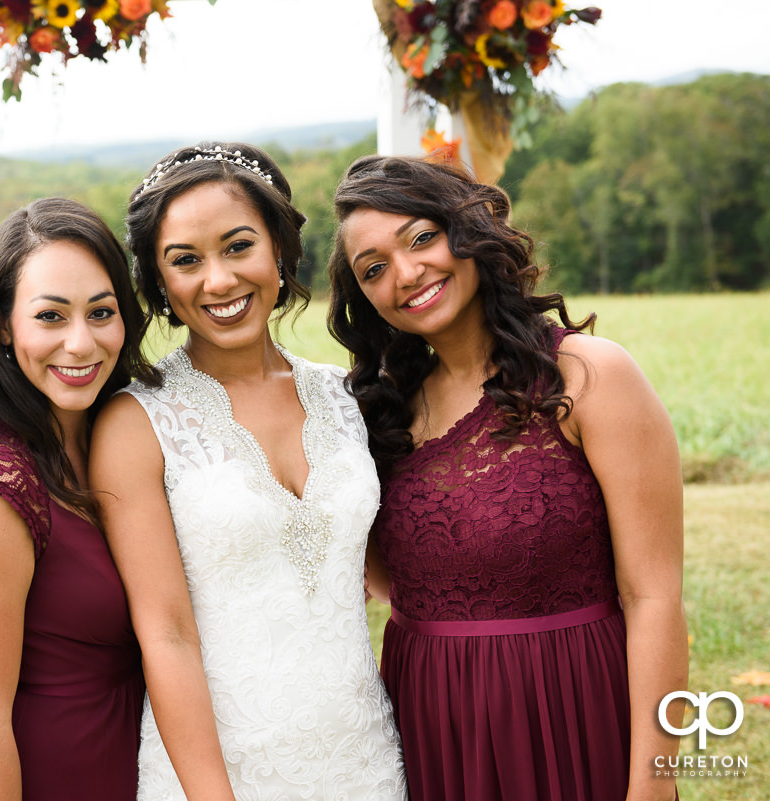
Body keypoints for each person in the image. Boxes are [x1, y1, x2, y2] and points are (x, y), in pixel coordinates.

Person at [326, 153, 688, 801]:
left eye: (421, 237)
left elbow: (654, 598)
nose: (406, 274)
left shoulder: (587, 376)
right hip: (434, 728)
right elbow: (388, 579)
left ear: (465, 229)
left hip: (572, 710)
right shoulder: (380, 415)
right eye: (374, 269)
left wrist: (655, 784)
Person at [90, 142, 408, 800]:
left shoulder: (347, 398)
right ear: (157, 281)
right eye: (186, 261)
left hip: (364, 762)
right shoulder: (134, 423)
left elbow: (388, 573)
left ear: (280, 250)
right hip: (216, 774)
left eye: (238, 246)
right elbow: (167, 635)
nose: (218, 280)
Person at [0, 197, 157, 801]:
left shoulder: (133, 435)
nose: (82, 344)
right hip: (60, 771)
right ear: (5, 327)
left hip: (152, 762)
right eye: (51, 317)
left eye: (101, 312)